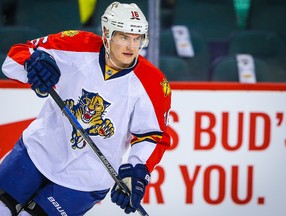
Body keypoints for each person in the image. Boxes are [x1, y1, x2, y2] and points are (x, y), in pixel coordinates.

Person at [0, 1, 171, 216]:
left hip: (85, 180)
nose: (131, 46)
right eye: (124, 37)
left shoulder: (153, 83)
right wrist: (32, 64)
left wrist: (137, 172)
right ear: (107, 33)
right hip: (37, 152)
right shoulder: (76, 44)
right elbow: (16, 56)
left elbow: (153, 136)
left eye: (137, 39)